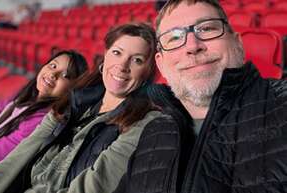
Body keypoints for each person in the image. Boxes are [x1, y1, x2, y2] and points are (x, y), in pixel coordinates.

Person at [113, 0, 287, 193]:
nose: (192, 46)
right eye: (174, 38)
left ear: (238, 44)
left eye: (206, 28)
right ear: (161, 65)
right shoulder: (153, 131)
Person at [0, 22, 177, 193]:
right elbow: (16, 159)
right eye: (117, 53)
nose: (122, 66)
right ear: (105, 56)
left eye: (137, 60)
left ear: (149, 71)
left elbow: (91, 188)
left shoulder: (144, 123)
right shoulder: (74, 101)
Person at [0, 50, 87, 168]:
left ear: (72, 89)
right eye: (53, 66)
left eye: (65, 76)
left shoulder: (40, 121)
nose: (53, 74)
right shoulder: (26, 94)